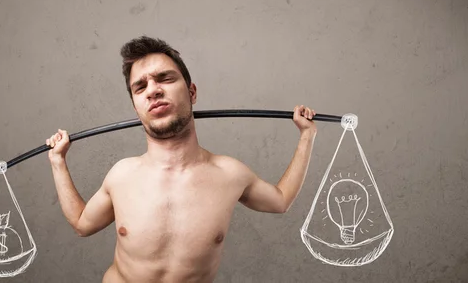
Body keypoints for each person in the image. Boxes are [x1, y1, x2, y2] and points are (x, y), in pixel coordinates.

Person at [46, 36, 317, 283]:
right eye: (140, 87)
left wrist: (307, 136)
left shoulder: (230, 174)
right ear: (136, 106)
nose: (153, 90)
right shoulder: (122, 175)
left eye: (165, 78)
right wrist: (58, 162)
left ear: (192, 92)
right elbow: (82, 224)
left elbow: (280, 201)